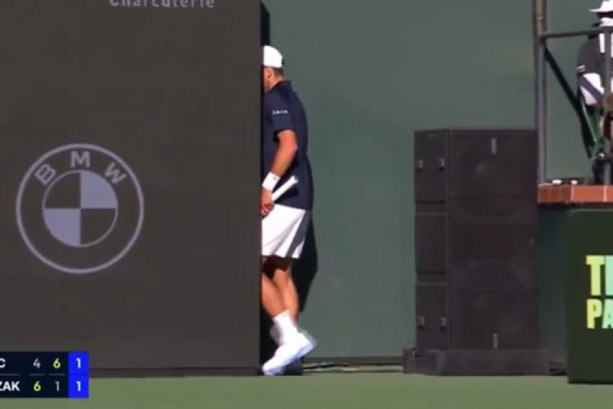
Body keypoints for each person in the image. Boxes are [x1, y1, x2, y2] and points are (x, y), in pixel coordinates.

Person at [259, 45, 316, 376]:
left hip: (283, 195)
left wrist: (267, 185)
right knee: (280, 271)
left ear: (267, 72)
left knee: (250, 266)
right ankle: (291, 356)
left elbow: (289, 145)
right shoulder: (292, 98)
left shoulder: (274, 99)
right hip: (301, 195)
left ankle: (290, 337)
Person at [578, 1, 613, 119]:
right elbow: (589, 90)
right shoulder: (591, 48)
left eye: (611, 15)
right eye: (602, 15)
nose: (605, 19)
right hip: (607, 115)